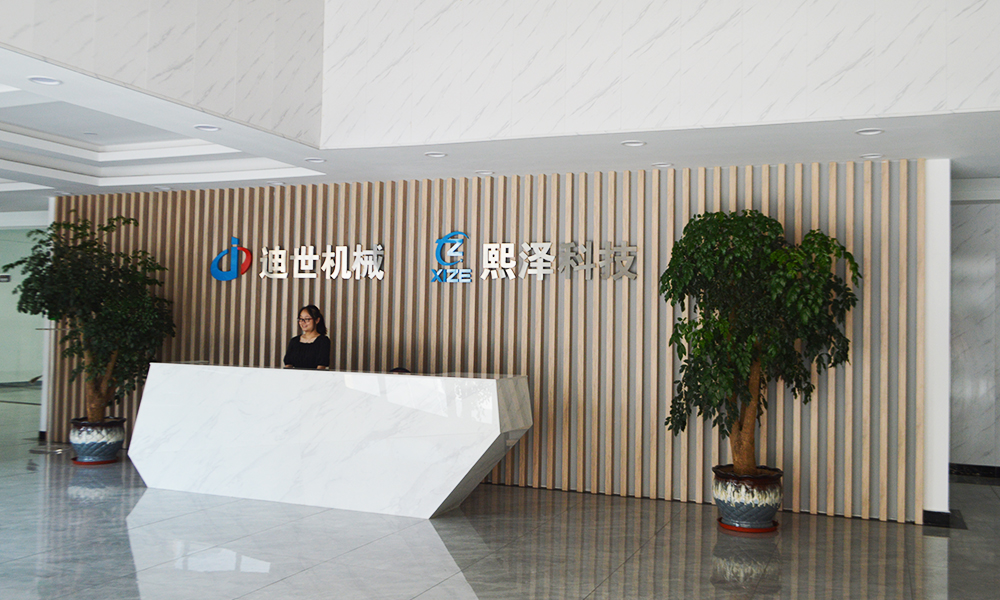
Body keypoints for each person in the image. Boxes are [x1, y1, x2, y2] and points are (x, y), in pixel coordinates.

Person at [283, 305, 331, 369]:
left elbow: (321, 366)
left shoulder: (323, 341)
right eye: (301, 319)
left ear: (317, 320)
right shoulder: (294, 341)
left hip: (315, 375)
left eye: (307, 319)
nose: (303, 322)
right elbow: (288, 365)